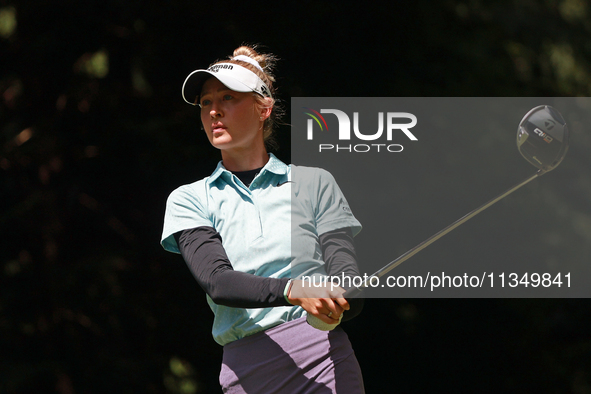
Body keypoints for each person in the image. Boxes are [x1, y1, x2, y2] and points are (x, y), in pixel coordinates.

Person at [161, 45, 365, 393]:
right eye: (206, 102)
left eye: (227, 97)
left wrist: (340, 298)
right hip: (246, 372)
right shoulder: (189, 198)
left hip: (324, 361)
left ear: (263, 109)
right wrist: (293, 289)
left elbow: (348, 277)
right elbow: (218, 281)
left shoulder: (315, 183)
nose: (214, 111)